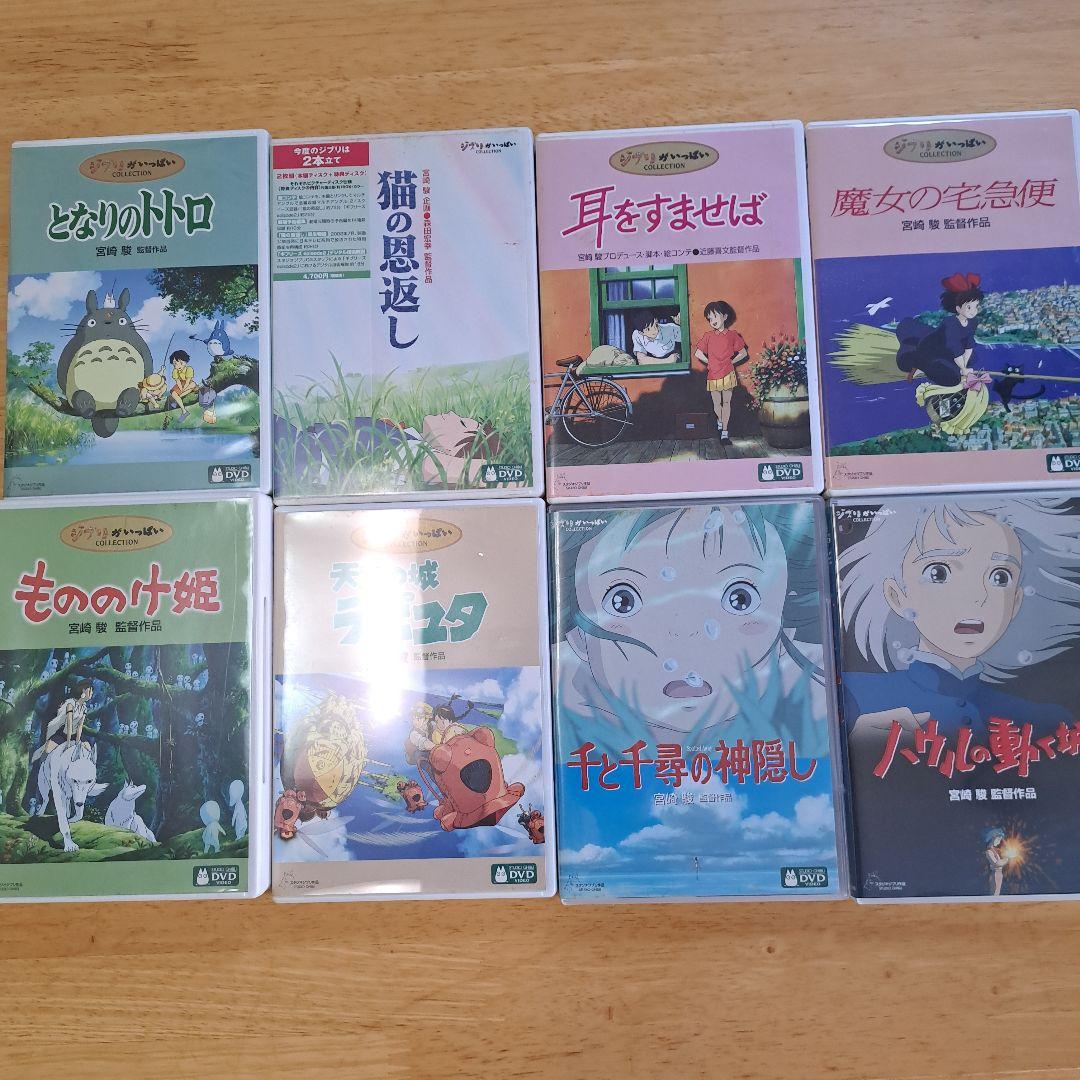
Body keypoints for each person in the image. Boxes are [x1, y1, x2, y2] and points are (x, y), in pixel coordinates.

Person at [895, 272, 990, 435]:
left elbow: (968, 344)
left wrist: (965, 367)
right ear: (958, 308)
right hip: (931, 350)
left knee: (970, 361)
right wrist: (963, 369)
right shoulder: (950, 324)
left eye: (976, 306)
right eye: (969, 307)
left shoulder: (972, 322)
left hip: (949, 353)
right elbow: (954, 347)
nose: (973, 311)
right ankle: (919, 365)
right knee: (952, 377)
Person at [693, 300, 749, 445]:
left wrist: (731, 362)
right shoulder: (708, 336)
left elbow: (743, 353)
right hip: (713, 374)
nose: (713, 321)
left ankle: (724, 432)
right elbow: (698, 353)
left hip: (728, 373)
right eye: (709, 319)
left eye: (715, 316)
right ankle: (720, 421)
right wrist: (709, 362)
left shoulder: (732, 335)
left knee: (727, 402)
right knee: (717, 404)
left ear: (724, 316)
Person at [30, 681, 94, 764]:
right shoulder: (70, 704)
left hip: (74, 735)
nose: (91, 693)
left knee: (88, 748)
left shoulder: (84, 708)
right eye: (90, 691)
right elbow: (69, 724)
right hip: (63, 734)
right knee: (46, 750)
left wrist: (77, 742)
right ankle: (38, 764)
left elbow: (80, 726)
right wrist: (68, 744)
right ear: (83, 691)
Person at [168, 349, 198, 418]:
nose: (177, 366)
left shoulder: (189, 369)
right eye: (174, 364)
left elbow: (188, 381)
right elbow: (178, 382)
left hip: (188, 384)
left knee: (192, 385)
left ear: (185, 362)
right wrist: (181, 389)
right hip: (181, 384)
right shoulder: (175, 371)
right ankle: (184, 411)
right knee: (173, 393)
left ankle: (176, 400)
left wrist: (183, 390)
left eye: (181, 363)